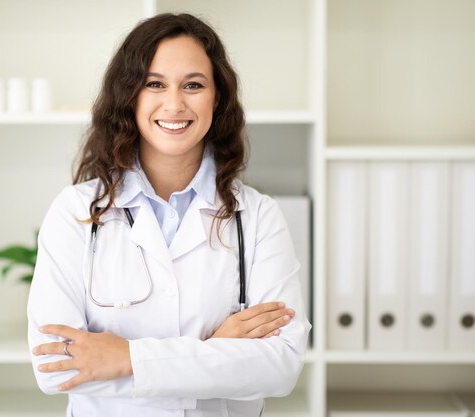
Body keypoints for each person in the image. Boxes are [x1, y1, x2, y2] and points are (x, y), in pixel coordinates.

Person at [27, 13, 311, 417]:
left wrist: (125, 358)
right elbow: (54, 369)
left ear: (217, 98)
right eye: (154, 84)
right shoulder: (75, 213)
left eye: (193, 85)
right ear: (130, 96)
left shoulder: (258, 217)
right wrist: (217, 354)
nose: (175, 104)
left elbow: (280, 366)